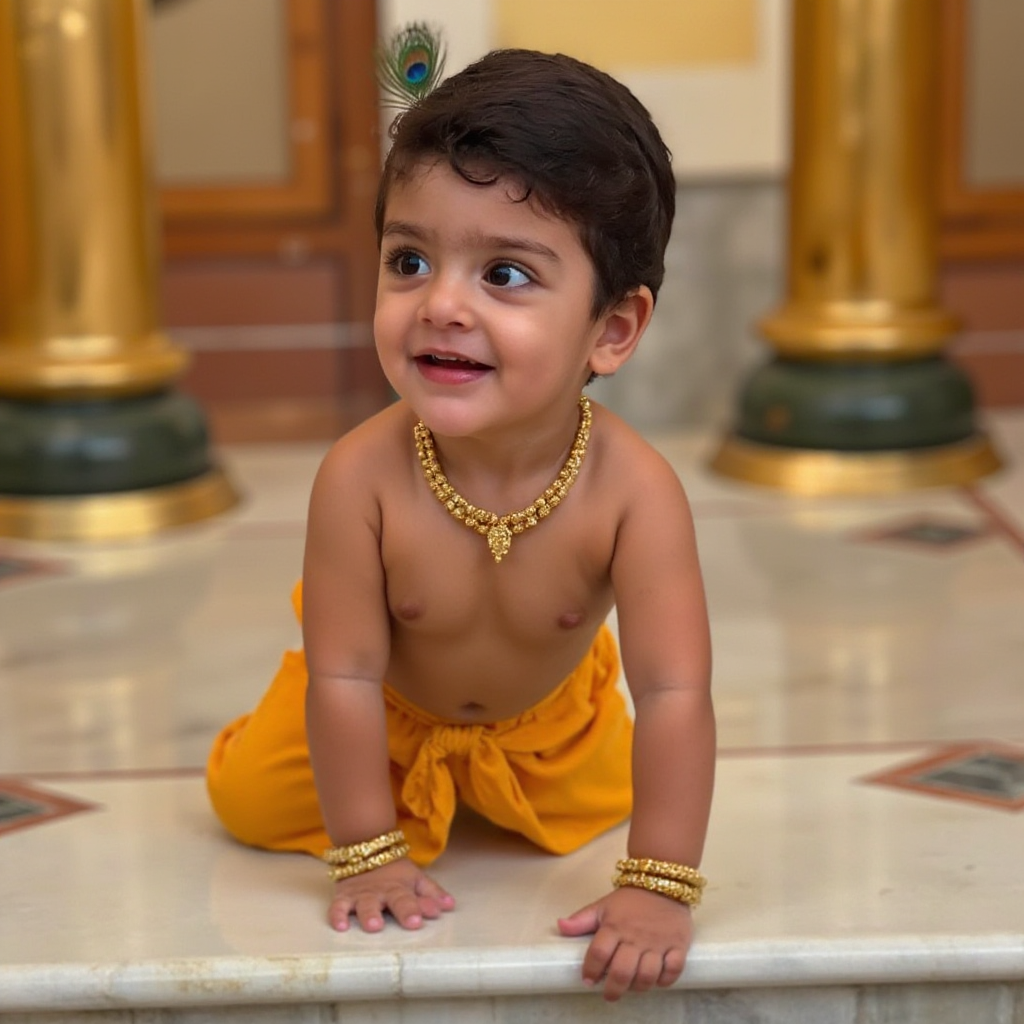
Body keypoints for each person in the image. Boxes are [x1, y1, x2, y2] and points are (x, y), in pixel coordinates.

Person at [206, 44, 714, 1003]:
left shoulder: (635, 493)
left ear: (612, 328)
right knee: (244, 800)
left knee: (612, 797)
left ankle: (513, 780)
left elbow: (678, 691)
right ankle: (301, 763)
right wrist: (364, 852)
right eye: (410, 261)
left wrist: (661, 884)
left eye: (507, 276)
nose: (441, 305)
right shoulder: (360, 476)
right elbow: (348, 673)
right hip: (381, 719)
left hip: (550, 728)